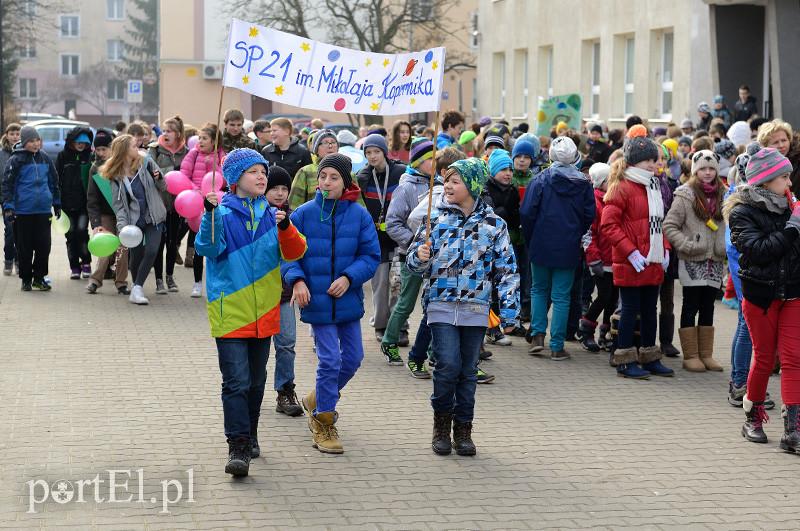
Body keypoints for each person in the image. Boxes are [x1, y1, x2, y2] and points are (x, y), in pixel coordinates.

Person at [195, 148, 307, 476]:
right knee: (236, 382)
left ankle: (251, 434)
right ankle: (238, 446)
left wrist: (286, 227)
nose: (261, 177)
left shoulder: (274, 215)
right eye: (253, 172)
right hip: (230, 310)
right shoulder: (221, 212)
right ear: (235, 179)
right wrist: (209, 215)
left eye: (263, 172)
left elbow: (296, 251)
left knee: (256, 383)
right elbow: (207, 248)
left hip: (265, 312)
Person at [408, 157, 519, 456]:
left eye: (455, 181)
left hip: (475, 308)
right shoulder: (434, 219)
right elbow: (413, 264)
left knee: (468, 371)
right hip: (440, 305)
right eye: (446, 180)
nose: (447, 186)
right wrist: (419, 256)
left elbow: (507, 270)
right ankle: (441, 425)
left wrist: (510, 313)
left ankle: (463, 429)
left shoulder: (494, 225)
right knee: (447, 366)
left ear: (472, 185)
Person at [282, 153, 380, 454]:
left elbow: (371, 256)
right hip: (316, 300)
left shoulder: (359, 215)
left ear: (345, 182)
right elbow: (286, 254)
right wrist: (297, 281)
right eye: (323, 176)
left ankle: (317, 398)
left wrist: (350, 277)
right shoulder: (302, 214)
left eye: (333, 177)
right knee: (330, 360)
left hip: (347, 300)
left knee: (353, 358)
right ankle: (323, 421)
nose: (326, 182)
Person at [726, 147, 800, 451]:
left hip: (793, 292)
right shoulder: (742, 212)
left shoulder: (791, 207)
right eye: (784, 177)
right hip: (761, 295)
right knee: (765, 357)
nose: (789, 183)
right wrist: (793, 229)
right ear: (766, 180)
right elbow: (758, 251)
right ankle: (753, 418)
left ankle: (793, 429)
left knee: (794, 359)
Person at [601, 136, 674, 379]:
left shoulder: (653, 185)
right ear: (634, 161)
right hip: (631, 260)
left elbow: (659, 223)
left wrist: (664, 248)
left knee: (650, 309)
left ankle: (650, 357)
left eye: (655, 159)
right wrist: (630, 251)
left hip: (652, 258)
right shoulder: (621, 186)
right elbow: (609, 225)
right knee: (630, 311)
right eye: (648, 160)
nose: (653, 164)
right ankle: (624, 359)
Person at [521, 137, 595, 361]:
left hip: (541, 243)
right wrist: (576, 233)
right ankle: (556, 345)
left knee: (539, 290)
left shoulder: (540, 180)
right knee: (561, 296)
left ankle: (537, 336)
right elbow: (589, 215)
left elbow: (527, 212)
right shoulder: (583, 183)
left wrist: (532, 237)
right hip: (568, 245)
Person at [663, 150, 726, 372]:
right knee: (691, 305)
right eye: (703, 169)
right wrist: (686, 245)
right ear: (695, 171)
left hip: (715, 260)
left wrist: (725, 245)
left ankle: (706, 354)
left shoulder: (724, 195)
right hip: (693, 259)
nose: (707, 173)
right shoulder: (685, 195)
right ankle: (691, 355)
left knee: (708, 306)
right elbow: (669, 225)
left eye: (711, 169)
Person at [381, 137, 435, 370]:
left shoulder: (440, 185)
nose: (435, 163)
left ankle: (433, 348)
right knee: (406, 302)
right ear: (418, 162)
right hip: (410, 256)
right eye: (430, 159)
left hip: (434, 256)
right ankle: (389, 341)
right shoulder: (406, 188)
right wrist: (414, 242)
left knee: (433, 304)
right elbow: (393, 223)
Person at [260, 165, 305, 417]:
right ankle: (252, 389)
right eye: (274, 188)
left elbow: (299, 253)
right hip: (258, 294)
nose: (279, 193)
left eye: (284, 189)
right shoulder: (255, 216)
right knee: (258, 348)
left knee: (286, 344)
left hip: (285, 294)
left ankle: (285, 390)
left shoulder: (293, 217)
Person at [103, 135, 166, 305]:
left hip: (154, 215)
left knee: (151, 251)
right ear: (124, 151)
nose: (137, 148)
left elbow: (163, 186)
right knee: (136, 256)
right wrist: (123, 227)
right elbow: (119, 205)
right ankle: (137, 287)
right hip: (134, 221)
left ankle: (137, 288)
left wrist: (159, 178)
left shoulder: (146, 162)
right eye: (133, 146)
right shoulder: (115, 175)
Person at [356, 134, 405, 345]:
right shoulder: (362, 177)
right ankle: (381, 325)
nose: (372, 156)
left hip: (398, 237)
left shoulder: (400, 172)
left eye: (376, 151)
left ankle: (400, 327)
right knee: (380, 284)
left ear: (384, 152)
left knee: (398, 284)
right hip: (375, 240)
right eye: (368, 152)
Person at [2, 126, 60, 291]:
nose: (35, 144)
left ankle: (39, 278)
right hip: (23, 211)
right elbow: (7, 185)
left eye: (37, 140)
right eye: (31, 141)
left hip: (43, 210)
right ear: (24, 142)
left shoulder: (45, 158)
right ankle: (26, 279)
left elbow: (53, 181)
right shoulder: (16, 160)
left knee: (44, 247)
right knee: (24, 248)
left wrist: (56, 202)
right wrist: (8, 207)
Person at [180, 122, 225, 298]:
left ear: (214, 141)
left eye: (205, 138)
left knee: (217, 244)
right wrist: (196, 190)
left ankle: (217, 283)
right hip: (196, 204)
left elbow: (224, 179)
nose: (200, 141)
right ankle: (197, 282)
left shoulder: (221, 155)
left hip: (215, 202)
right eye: (199, 138)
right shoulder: (193, 153)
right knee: (198, 245)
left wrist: (212, 165)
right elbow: (184, 174)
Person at [485, 148, 524, 343]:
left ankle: (506, 322)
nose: (508, 173)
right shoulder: (485, 190)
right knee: (489, 287)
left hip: (507, 244)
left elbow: (515, 218)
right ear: (493, 171)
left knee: (504, 285)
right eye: (503, 169)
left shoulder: (513, 190)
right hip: (487, 246)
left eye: (510, 169)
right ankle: (492, 328)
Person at [86, 129, 130, 295]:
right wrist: (96, 223)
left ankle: (121, 283)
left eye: (104, 149)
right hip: (105, 214)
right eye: (98, 149)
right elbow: (92, 199)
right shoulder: (95, 168)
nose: (101, 153)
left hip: (123, 213)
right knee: (104, 246)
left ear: (113, 148)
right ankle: (95, 281)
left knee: (122, 248)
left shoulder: (123, 165)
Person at [579, 162, 617, 352]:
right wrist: (593, 258)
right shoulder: (594, 202)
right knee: (604, 295)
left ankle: (606, 332)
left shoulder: (613, 199)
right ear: (600, 183)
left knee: (613, 298)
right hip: (600, 259)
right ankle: (586, 329)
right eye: (609, 180)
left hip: (615, 258)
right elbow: (589, 234)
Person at [148, 115, 188, 294]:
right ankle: (158, 280)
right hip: (159, 204)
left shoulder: (186, 152)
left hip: (177, 205)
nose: (165, 134)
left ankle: (170, 277)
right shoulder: (154, 149)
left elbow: (188, 174)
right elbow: (149, 170)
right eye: (164, 130)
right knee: (159, 243)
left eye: (170, 131)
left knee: (172, 243)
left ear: (178, 134)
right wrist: (171, 172)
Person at [55, 126, 93, 279]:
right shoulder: (62, 156)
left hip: (84, 205)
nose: (81, 145)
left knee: (82, 232)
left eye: (84, 142)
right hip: (66, 204)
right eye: (78, 142)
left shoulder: (90, 157)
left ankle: (86, 262)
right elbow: (56, 179)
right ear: (71, 141)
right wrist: (57, 202)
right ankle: (74, 267)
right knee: (70, 235)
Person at [288, 129, 338, 210]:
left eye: (333, 142)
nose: (330, 146)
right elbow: (294, 207)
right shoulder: (305, 172)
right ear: (316, 149)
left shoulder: (347, 172)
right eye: (325, 143)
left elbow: (357, 206)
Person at [0, 123, 21, 276]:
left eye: (17, 134)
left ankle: (19, 261)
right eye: (12, 134)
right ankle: (8, 259)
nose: (15, 137)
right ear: (6, 135)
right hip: (6, 198)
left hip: (23, 198)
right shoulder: (2, 154)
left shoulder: (25, 152)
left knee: (21, 231)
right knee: (10, 230)